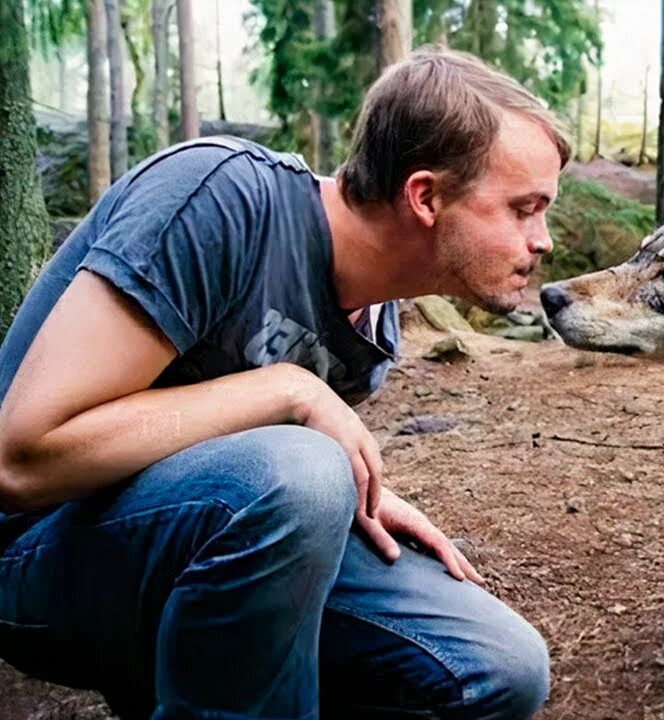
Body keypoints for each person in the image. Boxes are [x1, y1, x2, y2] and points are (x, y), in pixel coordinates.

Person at [0, 46, 565, 719]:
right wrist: (289, 394)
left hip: (206, 539)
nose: (544, 240)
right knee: (299, 474)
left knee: (500, 669)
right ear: (425, 196)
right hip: (33, 556)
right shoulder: (221, 198)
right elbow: (23, 457)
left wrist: (355, 496)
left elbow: (244, 485)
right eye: (524, 208)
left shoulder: (371, 333)